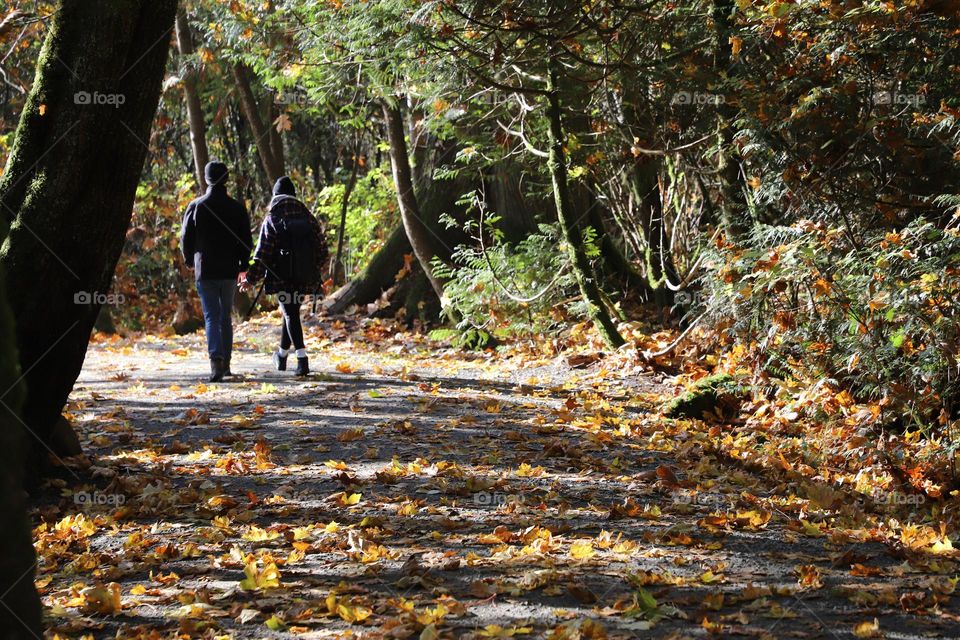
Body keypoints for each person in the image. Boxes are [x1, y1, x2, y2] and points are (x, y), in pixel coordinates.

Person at [240, 176, 327, 377]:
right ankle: (281, 355)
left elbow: (262, 254)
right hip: (305, 277)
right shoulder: (308, 217)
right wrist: (313, 268)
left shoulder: (273, 217)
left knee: (290, 314)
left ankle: (302, 359)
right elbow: (323, 249)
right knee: (292, 312)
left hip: (281, 277)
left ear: (275, 196)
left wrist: (250, 279)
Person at [180, 161, 252, 382]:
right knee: (225, 316)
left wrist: (189, 259)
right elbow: (245, 240)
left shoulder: (197, 206)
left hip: (206, 268)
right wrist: (243, 265)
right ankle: (227, 363)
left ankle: (216, 363)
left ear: (206, 178)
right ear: (227, 179)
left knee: (211, 316)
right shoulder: (237, 208)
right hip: (229, 269)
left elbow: (185, 237)